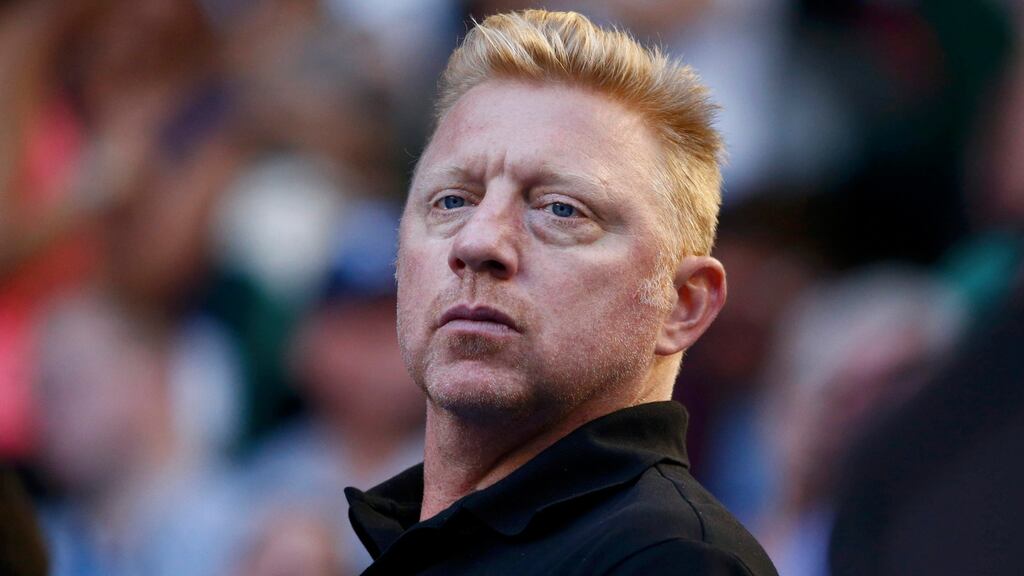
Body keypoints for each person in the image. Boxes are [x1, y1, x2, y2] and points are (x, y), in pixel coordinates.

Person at [345, 9, 777, 576]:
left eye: (559, 209)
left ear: (684, 304)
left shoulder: (672, 562)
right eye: (452, 200)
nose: (477, 242)